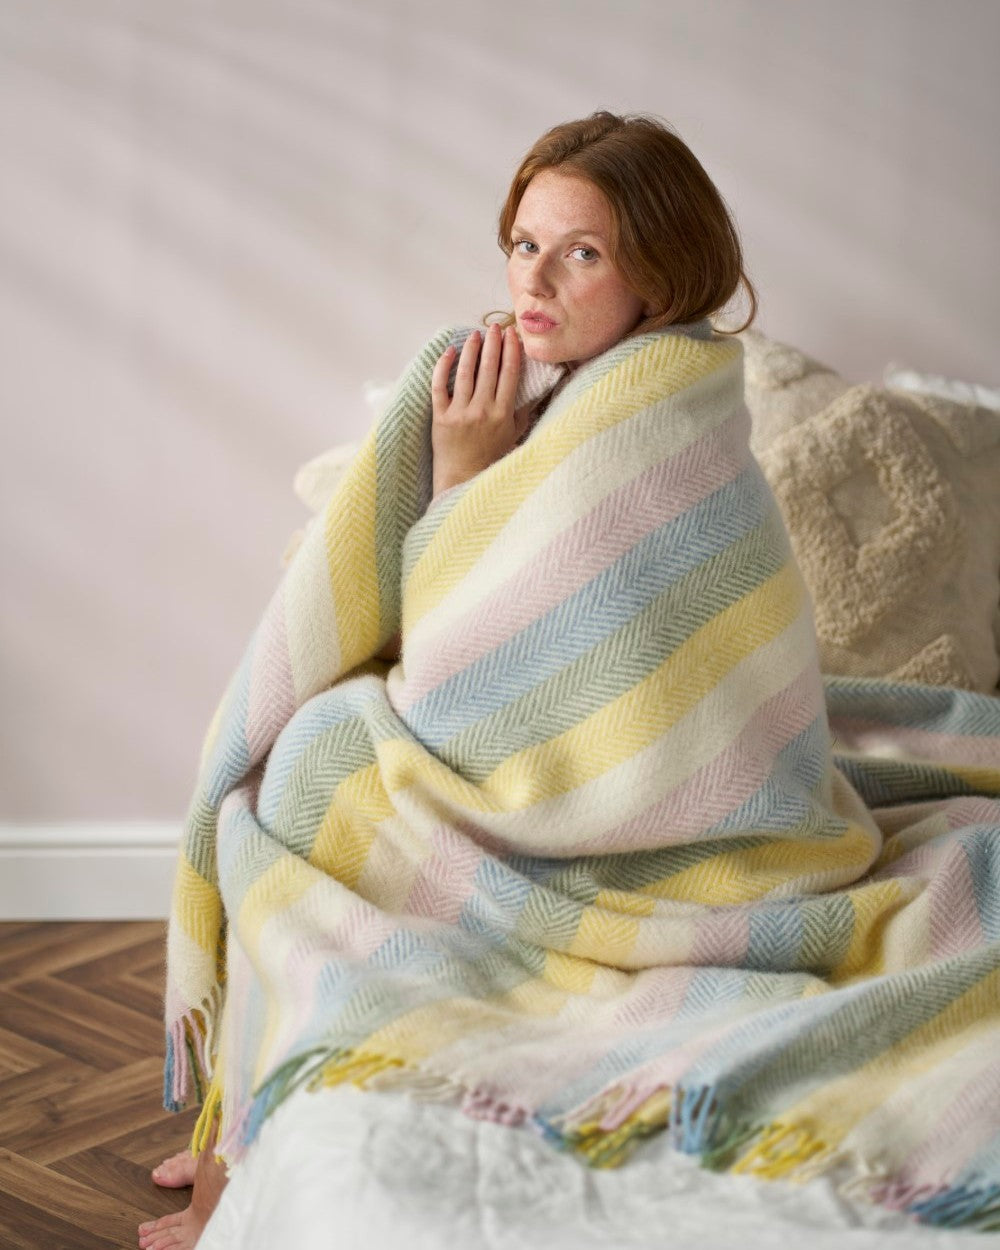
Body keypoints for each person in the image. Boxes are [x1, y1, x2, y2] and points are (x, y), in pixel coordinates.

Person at [138, 109, 755, 1249]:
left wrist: (468, 471)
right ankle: (251, 1117)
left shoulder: (657, 400)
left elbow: (483, 673)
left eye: (583, 252)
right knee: (290, 763)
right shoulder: (553, 378)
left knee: (313, 785)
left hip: (637, 815)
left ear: (660, 274)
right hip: (533, 756)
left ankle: (244, 1160)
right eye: (524, 242)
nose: (537, 279)